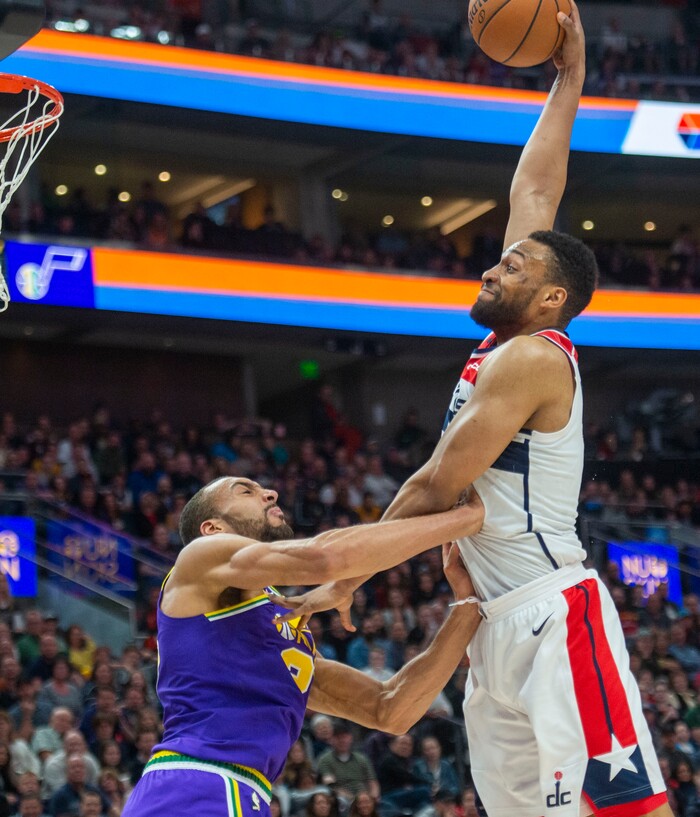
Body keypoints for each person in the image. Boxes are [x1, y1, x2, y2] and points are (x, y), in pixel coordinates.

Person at [275, 5, 671, 816]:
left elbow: (436, 484)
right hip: (493, 627)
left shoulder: (531, 357)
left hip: (556, 615)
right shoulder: (507, 344)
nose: (495, 265)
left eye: (514, 263)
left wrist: (346, 570)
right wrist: (570, 77)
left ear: (551, 297)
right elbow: (535, 185)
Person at [121, 476, 483, 817]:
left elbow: (389, 709)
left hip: (241, 791)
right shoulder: (198, 559)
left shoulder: (281, 621)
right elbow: (323, 558)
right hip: (194, 785)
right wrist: (467, 519)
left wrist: (468, 606)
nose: (270, 493)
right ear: (212, 528)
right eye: (245, 491)